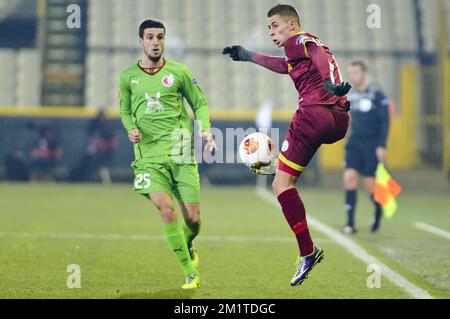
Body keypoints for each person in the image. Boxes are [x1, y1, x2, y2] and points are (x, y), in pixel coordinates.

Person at [223, 4, 351, 286]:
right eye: (269, 27)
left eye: (275, 25)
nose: (271, 31)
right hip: (339, 120)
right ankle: (276, 164)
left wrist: (328, 82)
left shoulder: (298, 40)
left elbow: (311, 54)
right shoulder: (307, 45)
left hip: (313, 114)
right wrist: (248, 56)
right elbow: (286, 65)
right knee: (284, 180)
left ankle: (308, 252)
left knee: (281, 185)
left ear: (292, 24)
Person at [118, 19, 215, 289]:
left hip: (182, 153)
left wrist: (205, 130)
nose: (155, 42)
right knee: (165, 208)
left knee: (193, 220)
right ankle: (190, 273)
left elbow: (200, 103)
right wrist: (131, 128)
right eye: (150, 37)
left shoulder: (179, 72)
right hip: (148, 157)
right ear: (141, 41)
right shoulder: (127, 77)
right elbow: (125, 111)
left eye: (160, 37)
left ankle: (189, 244)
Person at [341, 61, 390, 234]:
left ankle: (378, 210)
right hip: (354, 143)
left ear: (364, 73)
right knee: (350, 178)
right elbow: (349, 117)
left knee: (370, 186)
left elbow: (385, 121)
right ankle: (350, 224)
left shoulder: (376, 94)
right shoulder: (351, 94)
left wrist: (382, 146)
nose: (353, 76)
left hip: (372, 145)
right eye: (350, 73)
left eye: (356, 72)